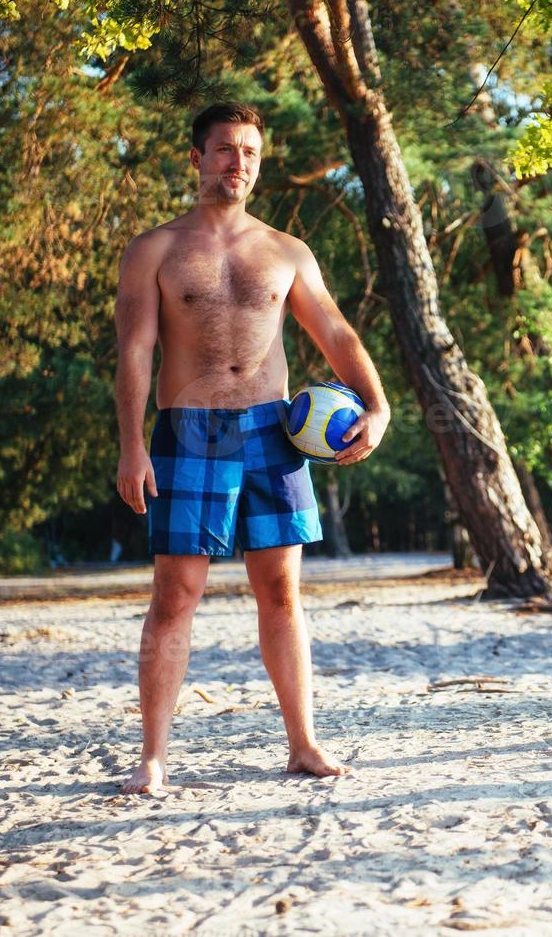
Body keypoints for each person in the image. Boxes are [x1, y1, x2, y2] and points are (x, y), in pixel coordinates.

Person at [113, 102, 390, 793]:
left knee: (282, 593)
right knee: (176, 595)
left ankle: (303, 744)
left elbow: (337, 335)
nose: (239, 163)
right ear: (197, 157)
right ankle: (153, 758)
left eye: (251, 153)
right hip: (190, 432)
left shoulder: (286, 251)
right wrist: (130, 447)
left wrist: (378, 407)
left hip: (274, 432)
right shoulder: (155, 249)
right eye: (226, 150)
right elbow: (134, 353)